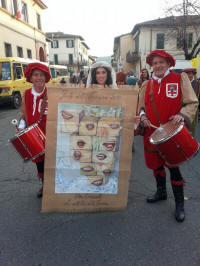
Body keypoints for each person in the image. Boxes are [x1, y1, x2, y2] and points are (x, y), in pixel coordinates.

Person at [138, 50, 198, 222]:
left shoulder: (180, 79)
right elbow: (141, 107)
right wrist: (142, 116)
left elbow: (192, 102)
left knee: (174, 168)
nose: (158, 66)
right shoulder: (146, 85)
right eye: (155, 63)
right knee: (156, 165)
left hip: (171, 134)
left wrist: (182, 115)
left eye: (161, 63)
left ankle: (180, 204)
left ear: (168, 64)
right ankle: (161, 192)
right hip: (151, 132)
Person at [17, 62, 51, 198]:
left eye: (41, 75)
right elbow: (23, 114)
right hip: (34, 134)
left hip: (51, 132)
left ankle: (55, 185)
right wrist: (20, 128)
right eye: (35, 75)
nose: (39, 78)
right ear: (30, 78)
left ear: (46, 77)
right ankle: (44, 185)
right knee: (40, 161)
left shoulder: (52, 92)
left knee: (53, 159)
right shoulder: (26, 94)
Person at [182, 68, 200, 136]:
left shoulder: (197, 83)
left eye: (190, 74)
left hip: (193, 110)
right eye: (186, 74)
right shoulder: (181, 83)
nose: (188, 76)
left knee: (192, 128)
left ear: (193, 74)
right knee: (183, 128)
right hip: (183, 109)